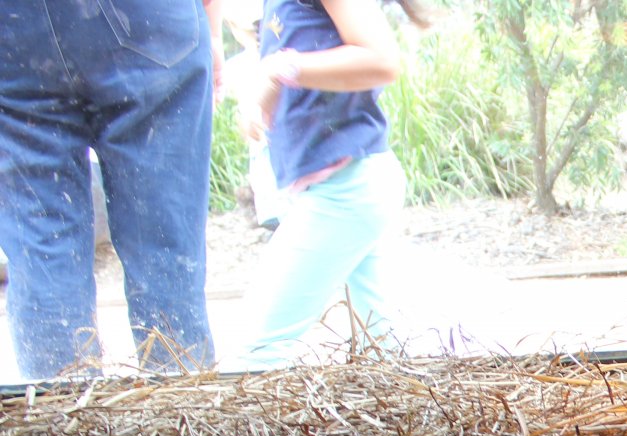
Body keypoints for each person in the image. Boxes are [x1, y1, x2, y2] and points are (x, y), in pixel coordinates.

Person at [0, 0, 225, 381]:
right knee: (164, 246)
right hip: (145, 21)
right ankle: (182, 422)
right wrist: (213, 28)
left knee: (42, 247)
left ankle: (62, 426)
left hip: (13, 27)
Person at [235, 0, 428, 367]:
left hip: (346, 187)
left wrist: (280, 69)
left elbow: (381, 60)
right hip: (344, 186)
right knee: (383, 360)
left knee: (254, 353)